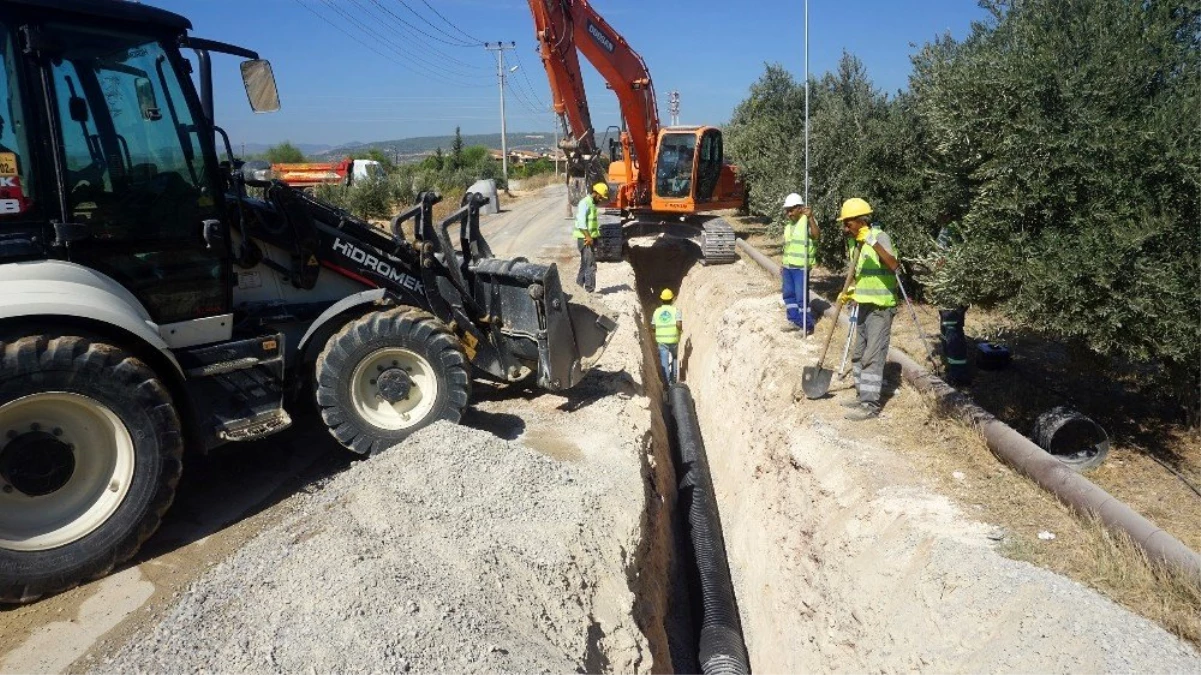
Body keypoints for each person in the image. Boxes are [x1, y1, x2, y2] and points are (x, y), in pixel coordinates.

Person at [837, 198, 899, 421]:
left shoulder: (879, 237)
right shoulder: (858, 244)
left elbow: (893, 265)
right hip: (863, 306)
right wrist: (851, 292)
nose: (846, 228)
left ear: (861, 220)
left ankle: (870, 405)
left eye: (848, 223)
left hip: (880, 309)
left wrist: (872, 242)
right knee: (858, 354)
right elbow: (865, 277)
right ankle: (861, 395)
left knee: (872, 356)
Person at [935, 214, 971, 386]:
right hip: (950, 290)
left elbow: (940, 260)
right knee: (947, 328)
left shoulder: (951, 231)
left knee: (952, 329)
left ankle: (958, 375)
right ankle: (951, 366)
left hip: (952, 291)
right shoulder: (952, 228)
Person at [780, 193, 818, 333]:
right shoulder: (789, 226)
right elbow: (787, 247)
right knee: (789, 296)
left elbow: (816, 235)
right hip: (788, 267)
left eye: (791, 210)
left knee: (801, 298)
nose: (788, 213)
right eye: (787, 210)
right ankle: (794, 320)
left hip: (801, 268)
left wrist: (811, 217)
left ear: (800, 209)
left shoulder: (807, 221)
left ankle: (806, 325)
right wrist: (783, 264)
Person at [574, 182, 608, 292]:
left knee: (584, 265)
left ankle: (578, 289)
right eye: (601, 197)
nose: (601, 199)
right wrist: (588, 237)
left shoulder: (591, 204)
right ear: (596, 193)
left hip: (589, 238)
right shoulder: (585, 203)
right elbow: (581, 222)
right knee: (590, 265)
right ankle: (589, 290)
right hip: (585, 239)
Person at [652, 288, 682, 383]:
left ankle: (666, 383)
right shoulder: (676, 310)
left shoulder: (656, 312)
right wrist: (680, 330)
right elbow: (678, 324)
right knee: (674, 357)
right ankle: (674, 381)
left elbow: (653, 326)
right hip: (673, 339)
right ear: (672, 299)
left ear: (661, 300)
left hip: (661, 341)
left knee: (664, 361)